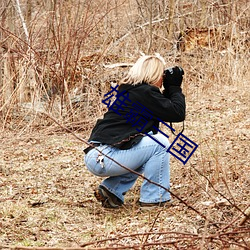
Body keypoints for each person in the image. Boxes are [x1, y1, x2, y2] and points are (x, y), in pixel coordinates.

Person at [84, 54, 185, 209]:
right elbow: (177, 112)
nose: (162, 79)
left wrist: (170, 88)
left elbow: (164, 108)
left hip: (99, 155)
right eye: (161, 74)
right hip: (105, 156)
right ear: (153, 74)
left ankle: (111, 190)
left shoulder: (134, 92)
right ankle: (154, 199)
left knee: (145, 148)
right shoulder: (144, 93)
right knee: (160, 143)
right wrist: (175, 87)